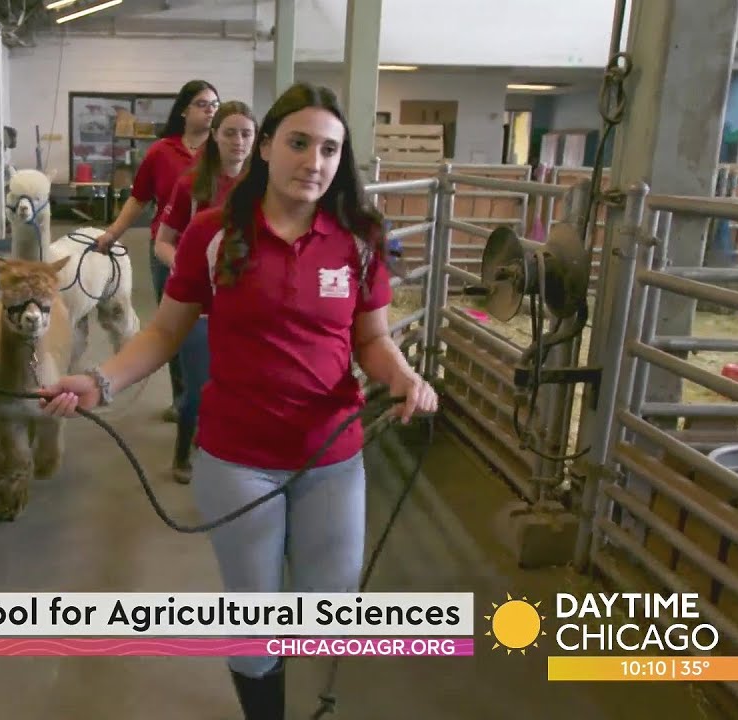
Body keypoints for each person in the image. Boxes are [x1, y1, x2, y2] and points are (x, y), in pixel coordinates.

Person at [38, 82, 438, 720]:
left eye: (330, 149)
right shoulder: (212, 233)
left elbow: (373, 338)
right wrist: (101, 380)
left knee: (328, 602)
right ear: (268, 147)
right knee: (254, 619)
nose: (314, 161)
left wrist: (403, 376)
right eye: (299, 143)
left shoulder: (358, 237)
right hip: (238, 457)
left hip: (330, 451)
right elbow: (166, 330)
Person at [94, 79, 220, 422]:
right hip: (169, 249)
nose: (209, 110)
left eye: (214, 105)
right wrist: (113, 233)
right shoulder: (162, 152)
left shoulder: (224, 150)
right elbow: (139, 198)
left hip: (217, 256)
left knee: (215, 327)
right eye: (202, 104)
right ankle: (183, 401)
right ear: (184, 110)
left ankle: (212, 397)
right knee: (174, 328)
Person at [152, 100, 256, 484]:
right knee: (199, 388)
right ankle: (184, 453)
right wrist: (188, 268)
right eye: (230, 132)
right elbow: (163, 242)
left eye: (247, 133)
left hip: (247, 308)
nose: (239, 141)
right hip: (200, 307)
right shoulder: (192, 185)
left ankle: (227, 452)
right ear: (214, 136)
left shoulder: (264, 188)